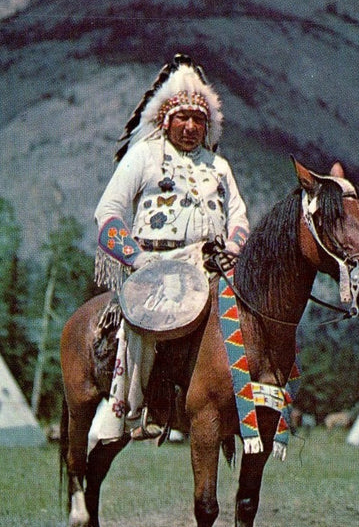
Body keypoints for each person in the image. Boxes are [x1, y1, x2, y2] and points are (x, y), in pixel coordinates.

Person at [91, 54, 250, 444]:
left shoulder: (219, 166)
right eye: (183, 118)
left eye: (199, 120)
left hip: (211, 266)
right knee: (143, 325)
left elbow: (240, 218)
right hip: (153, 266)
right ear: (167, 120)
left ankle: (242, 405)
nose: (192, 126)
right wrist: (138, 259)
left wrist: (232, 246)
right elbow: (107, 214)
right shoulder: (143, 157)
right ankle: (130, 407)